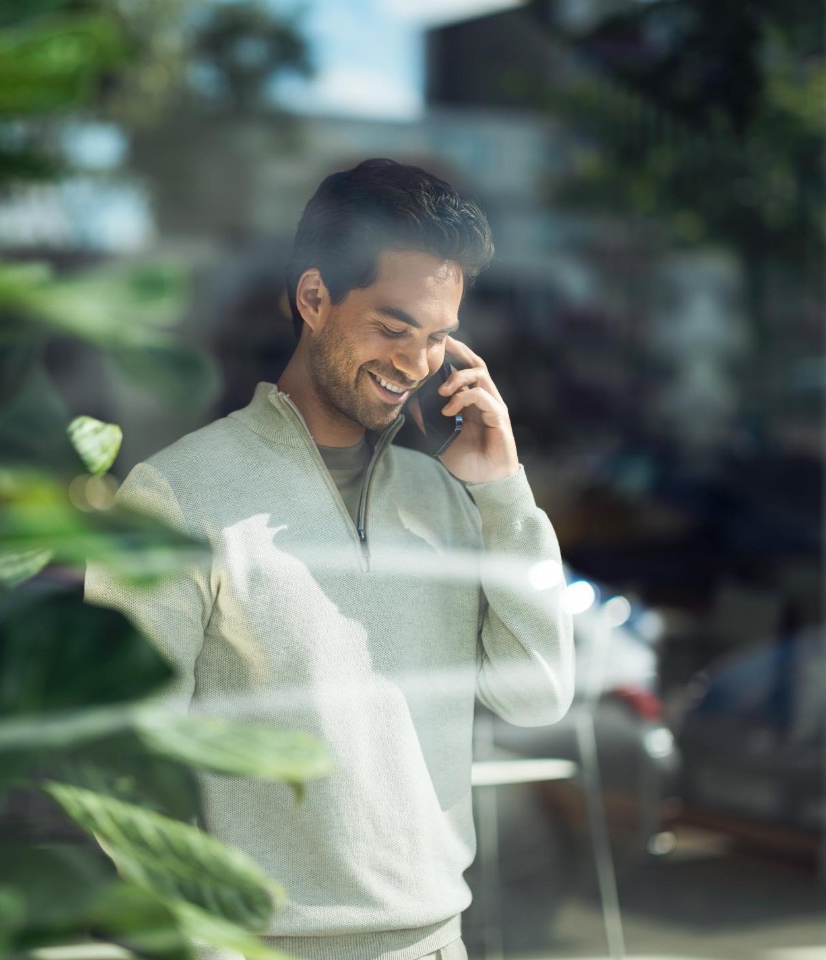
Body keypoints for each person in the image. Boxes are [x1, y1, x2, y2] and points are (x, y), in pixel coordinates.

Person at [85, 158, 575, 960]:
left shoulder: (448, 499)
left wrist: (504, 494)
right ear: (313, 299)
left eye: (440, 336)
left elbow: (537, 693)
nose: (418, 365)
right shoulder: (177, 495)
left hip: (437, 943)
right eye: (392, 327)